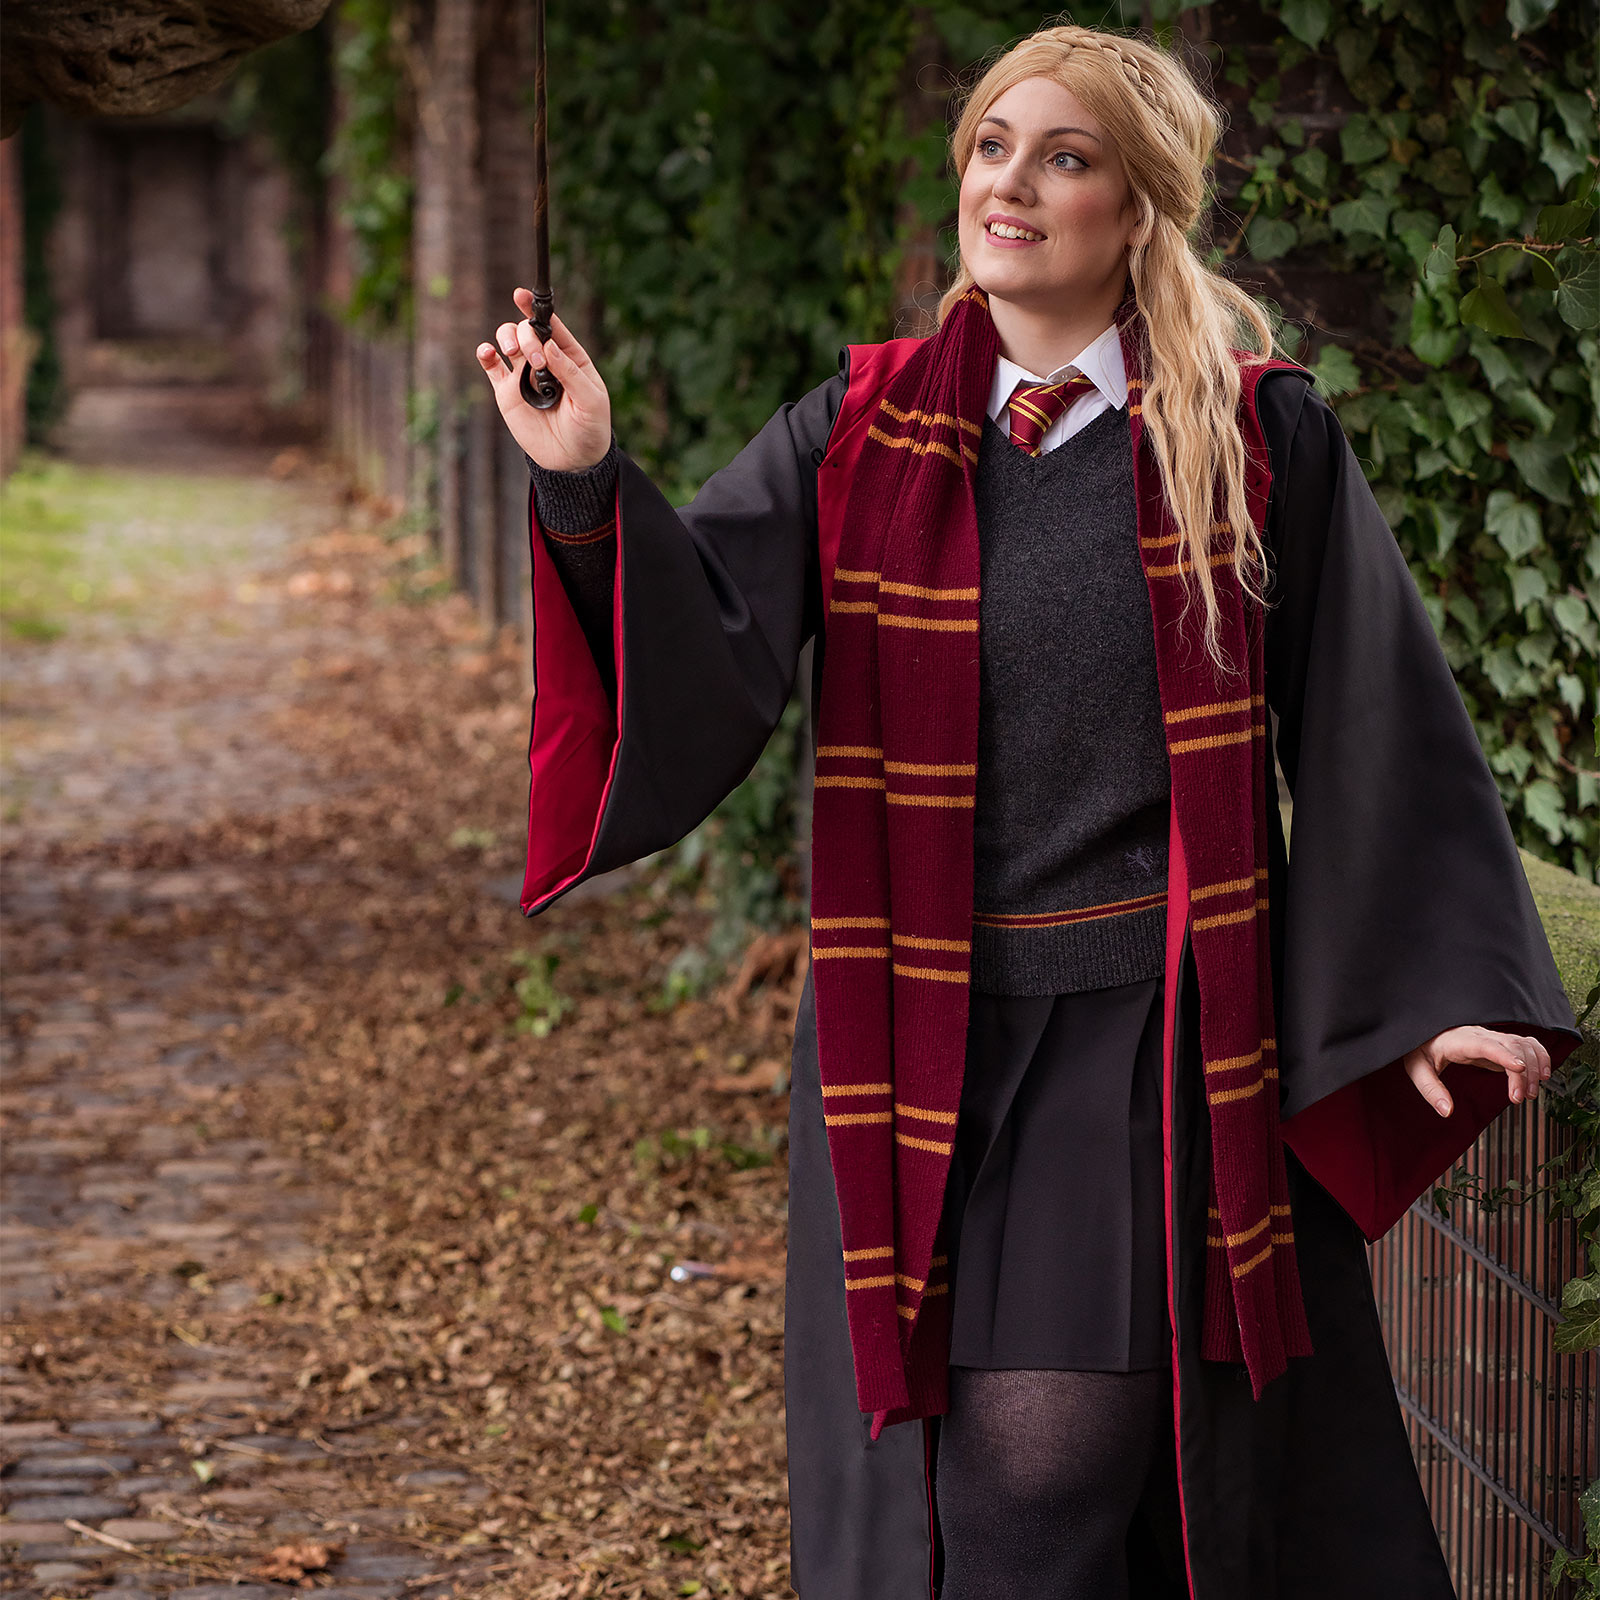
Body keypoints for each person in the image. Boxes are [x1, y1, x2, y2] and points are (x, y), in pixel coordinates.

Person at [474, 22, 1578, 1600]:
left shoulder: (1250, 439)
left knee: (1032, 1488)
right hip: (916, 1047)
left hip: (1140, 1049)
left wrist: (1436, 990)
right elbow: (706, 638)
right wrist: (584, 476)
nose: (1012, 184)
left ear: (1137, 209)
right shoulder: (860, 431)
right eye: (993, 146)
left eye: (1066, 158)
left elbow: (1372, 723)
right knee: (942, 1496)